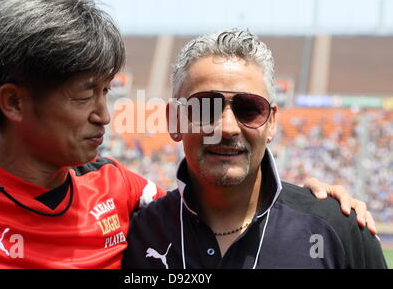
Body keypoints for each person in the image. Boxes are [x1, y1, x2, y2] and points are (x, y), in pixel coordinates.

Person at [0, 0, 376, 269]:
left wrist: (320, 203)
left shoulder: (119, 191)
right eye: (83, 94)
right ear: (14, 102)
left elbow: (211, 195)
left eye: (106, 92)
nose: (104, 114)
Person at [122, 29, 387, 269]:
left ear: (271, 123)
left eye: (249, 108)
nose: (227, 128)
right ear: (175, 120)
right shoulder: (134, 234)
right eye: (205, 108)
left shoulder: (339, 229)